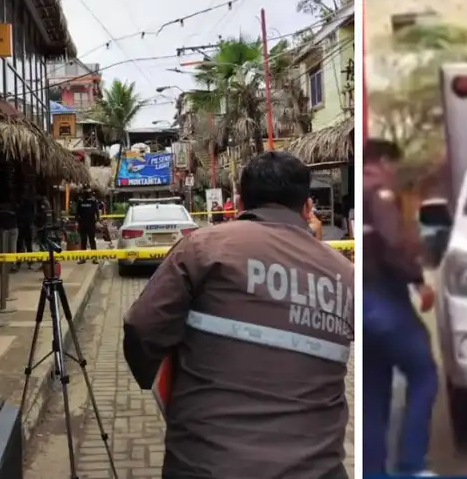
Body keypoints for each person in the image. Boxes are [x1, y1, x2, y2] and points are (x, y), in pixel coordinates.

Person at [123, 151, 354, 478]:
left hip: (206, 463)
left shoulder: (204, 247)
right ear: (307, 207)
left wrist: (167, 390)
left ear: (240, 203)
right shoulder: (345, 275)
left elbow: (142, 328)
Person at [362, 138, 438, 477]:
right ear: (381, 162)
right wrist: (419, 280)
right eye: (392, 166)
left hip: (360, 306)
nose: (393, 174)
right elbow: (394, 243)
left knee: (374, 392)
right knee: (424, 375)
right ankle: (412, 465)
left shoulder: (360, 195)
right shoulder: (380, 195)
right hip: (384, 301)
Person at [74, 189, 99, 264]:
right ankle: (83, 258)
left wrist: (97, 220)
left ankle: (94, 258)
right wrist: (77, 222)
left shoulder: (93, 202)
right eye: (86, 193)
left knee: (92, 241)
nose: (88, 195)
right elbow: (77, 213)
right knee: (83, 241)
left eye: (89, 193)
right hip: (83, 224)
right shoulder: (81, 202)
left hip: (90, 224)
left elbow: (97, 212)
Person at [0, 196, 19, 272]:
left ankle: (4, 266)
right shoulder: (14, 207)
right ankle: (12, 265)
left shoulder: (0, 210)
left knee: (4, 248)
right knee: (13, 248)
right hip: (13, 228)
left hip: (5, 229)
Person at [17, 193, 35, 269]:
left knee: (20, 246)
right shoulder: (30, 207)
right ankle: (29, 263)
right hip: (27, 227)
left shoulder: (21, 208)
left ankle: (19, 263)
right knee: (28, 246)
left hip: (22, 227)